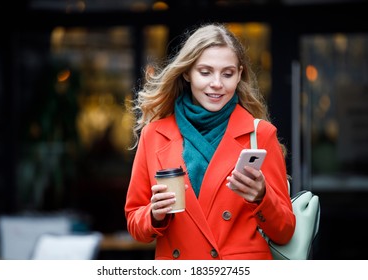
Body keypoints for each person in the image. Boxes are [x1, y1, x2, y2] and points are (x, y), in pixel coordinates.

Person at [124, 22, 295, 260]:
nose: (217, 83)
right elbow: (135, 223)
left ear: (239, 75)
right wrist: (155, 214)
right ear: (187, 73)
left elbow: (285, 231)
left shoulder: (260, 134)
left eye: (227, 73)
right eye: (205, 72)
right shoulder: (154, 135)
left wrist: (261, 197)